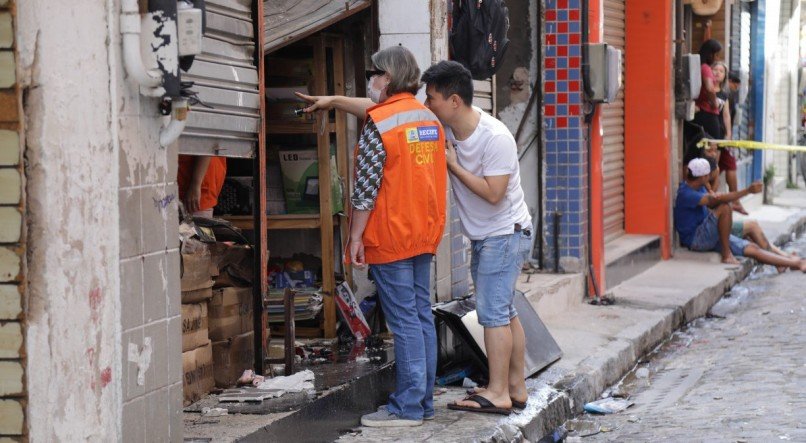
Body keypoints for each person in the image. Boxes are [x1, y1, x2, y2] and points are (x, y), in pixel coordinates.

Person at [297, 46, 447, 427]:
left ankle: (408, 407)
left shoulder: (380, 125)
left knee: (405, 322)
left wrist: (355, 239)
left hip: (391, 236)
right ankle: (423, 402)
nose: (371, 79)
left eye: (375, 73)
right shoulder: (426, 118)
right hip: (422, 234)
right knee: (420, 316)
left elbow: (364, 191)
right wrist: (332, 100)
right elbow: (371, 105)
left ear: (388, 78)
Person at [420, 61, 532, 416]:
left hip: (505, 234)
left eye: (432, 98)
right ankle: (515, 386)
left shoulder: (495, 137)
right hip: (489, 236)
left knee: (493, 313)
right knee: (505, 311)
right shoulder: (448, 127)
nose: (427, 104)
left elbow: (494, 193)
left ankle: (498, 391)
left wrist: (453, 165)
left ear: (454, 101)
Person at [675, 158, 806, 272]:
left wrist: (717, 194)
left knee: (752, 248)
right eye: (708, 176)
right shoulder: (686, 194)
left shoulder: (698, 186)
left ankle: (794, 263)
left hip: (707, 232)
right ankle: (727, 255)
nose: (710, 177)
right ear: (703, 177)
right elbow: (717, 201)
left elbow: (712, 202)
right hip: (696, 239)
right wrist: (747, 191)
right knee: (724, 207)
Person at [711, 61, 747, 215]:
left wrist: (728, 135)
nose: (718, 73)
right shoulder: (707, 90)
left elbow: (726, 116)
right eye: (715, 70)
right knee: (717, 168)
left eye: (721, 71)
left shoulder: (726, 95)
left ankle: (718, 199)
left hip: (721, 136)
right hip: (710, 135)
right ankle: (728, 200)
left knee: (717, 169)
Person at [689, 40, 723, 149]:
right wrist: (715, 103)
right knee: (712, 148)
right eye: (716, 55)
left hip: (700, 114)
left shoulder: (699, 66)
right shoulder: (706, 68)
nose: (717, 58)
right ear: (710, 54)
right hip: (708, 114)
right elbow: (709, 88)